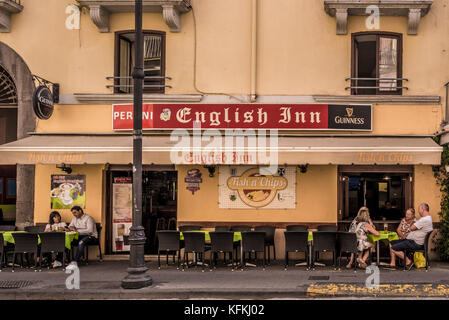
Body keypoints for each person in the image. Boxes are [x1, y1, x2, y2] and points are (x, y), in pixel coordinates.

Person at [388, 203, 433, 269]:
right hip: (412, 241)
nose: (419, 212)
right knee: (392, 243)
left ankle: (408, 262)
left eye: (419, 210)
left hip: (415, 243)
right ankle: (393, 263)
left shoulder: (424, 220)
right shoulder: (428, 218)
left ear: (423, 209)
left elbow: (412, 228)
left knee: (393, 248)